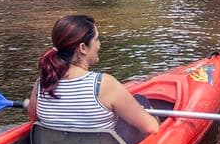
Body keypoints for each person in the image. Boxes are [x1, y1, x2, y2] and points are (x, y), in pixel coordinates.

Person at [28, 14, 160, 137]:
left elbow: (34, 118)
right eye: (97, 39)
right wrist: (145, 114)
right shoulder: (104, 85)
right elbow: (152, 128)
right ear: (82, 48)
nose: (99, 44)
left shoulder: (42, 83)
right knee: (141, 100)